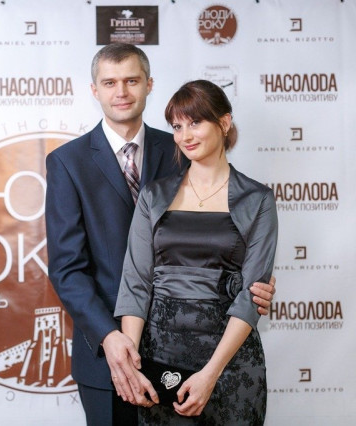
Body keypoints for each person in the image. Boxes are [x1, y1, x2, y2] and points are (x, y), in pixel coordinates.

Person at [45, 44, 276, 426]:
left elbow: (220, 237)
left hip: (191, 349)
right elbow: (67, 269)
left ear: (149, 84)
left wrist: (251, 282)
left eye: (131, 80)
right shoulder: (67, 162)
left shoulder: (181, 147)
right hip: (108, 352)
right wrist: (110, 336)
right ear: (94, 90)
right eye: (110, 83)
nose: (121, 92)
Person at [114, 79, 278, 425]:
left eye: (195, 122)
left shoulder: (257, 200)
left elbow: (251, 296)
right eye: (177, 126)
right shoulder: (153, 196)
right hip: (161, 360)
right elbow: (136, 282)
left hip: (229, 363)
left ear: (224, 122)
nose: (185, 135)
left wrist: (211, 373)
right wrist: (133, 366)